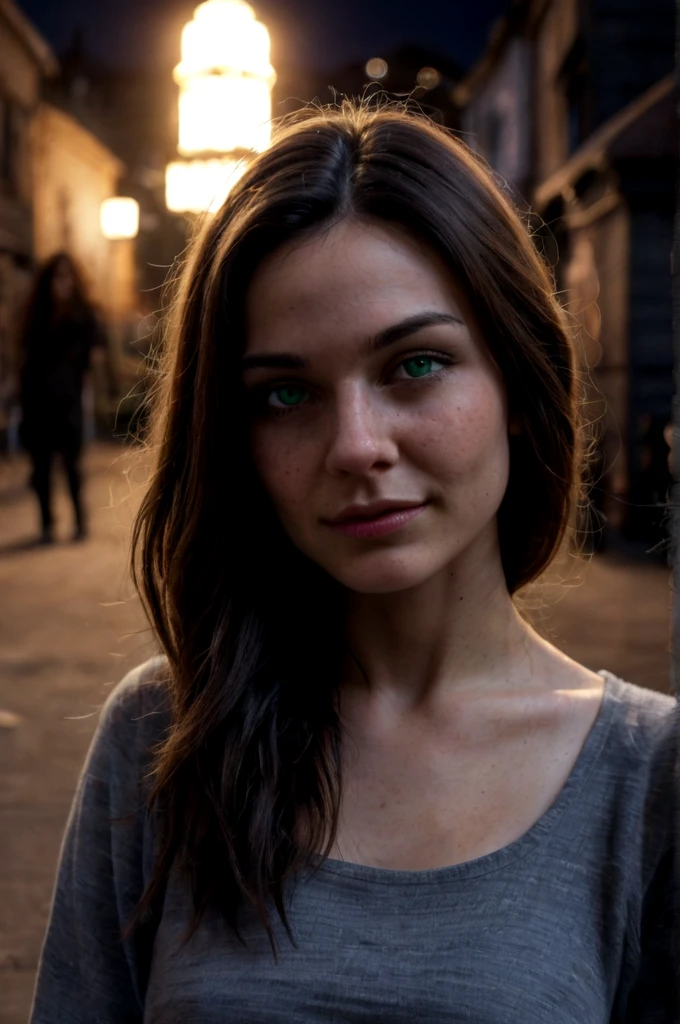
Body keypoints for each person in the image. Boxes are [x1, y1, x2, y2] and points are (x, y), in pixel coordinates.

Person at [30, 103, 677, 1022]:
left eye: (415, 365)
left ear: (520, 385)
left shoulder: (652, 778)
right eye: (285, 394)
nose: (356, 446)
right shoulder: (164, 738)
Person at [18, 252, 106, 543]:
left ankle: (80, 520)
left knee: (72, 463)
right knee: (41, 465)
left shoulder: (83, 316)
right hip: (37, 397)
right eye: (57, 277)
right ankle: (47, 523)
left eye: (66, 277)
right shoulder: (36, 315)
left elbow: (93, 355)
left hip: (68, 398)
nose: (62, 284)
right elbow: (27, 355)